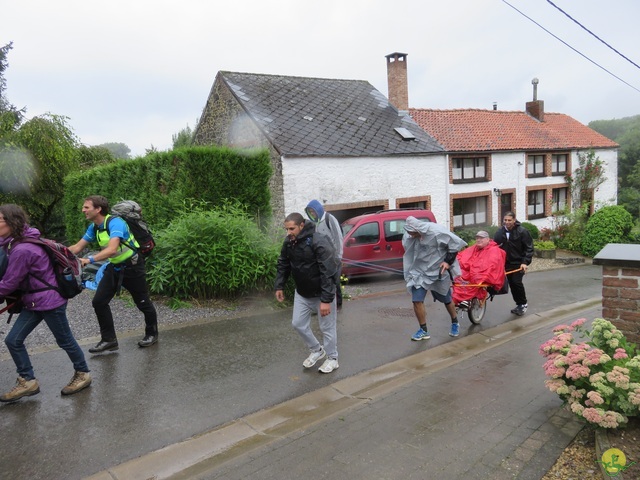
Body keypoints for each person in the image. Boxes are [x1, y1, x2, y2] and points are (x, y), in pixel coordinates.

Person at [0, 204, 91, 402]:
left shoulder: (22, 249)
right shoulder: (17, 242)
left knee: (64, 339)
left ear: (12, 222)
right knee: (13, 340)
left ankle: (83, 373)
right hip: (34, 302)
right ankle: (28, 380)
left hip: (50, 301)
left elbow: (8, 283)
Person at [69, 195, 158, 352]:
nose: (83, 210)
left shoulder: (115, 223)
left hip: (133, 267)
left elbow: (111, 250)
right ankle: (109, 340)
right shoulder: (94, 227)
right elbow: (77, 248)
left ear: (98, 209)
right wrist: (54, 252)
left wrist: (88, 260)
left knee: (143, 302)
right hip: (115, 267)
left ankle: (152, 334)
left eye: (86, 207)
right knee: (99, 302)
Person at [274, 212, 339, 373]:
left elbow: (329, 271)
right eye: (286, 229)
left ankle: (332, 358)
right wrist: (279, 286)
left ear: (301, 226)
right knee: (298, 324)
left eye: (291, 229)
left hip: (322, 294)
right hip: (302, 293)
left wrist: (326, 299)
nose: (288, 232)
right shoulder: (289, 243)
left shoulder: (319, 241)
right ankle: (317, 350)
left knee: (327, 328)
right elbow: (283, 263)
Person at [403, 216, 467, 340]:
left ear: (418, 230)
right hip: (419, 272)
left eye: (411, 232)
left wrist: (448, 262)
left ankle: (455, 322)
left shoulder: (437, 232)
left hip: (438, 271)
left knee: (446, 299)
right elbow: (409, 250)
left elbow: (454, 245)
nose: (408, 234)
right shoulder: (409, 234)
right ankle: (423, 329)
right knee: (416, 300)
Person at [493, 212, 534, 316]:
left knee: (516, 282)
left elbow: (529, 248)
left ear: (514, 220)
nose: (507, 222)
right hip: (506, 263)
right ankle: (519, 304)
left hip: (518, 263)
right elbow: (495, 247)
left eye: (509, 220)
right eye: (505, 220)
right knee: (511, 283)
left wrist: (525, 262)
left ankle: (523, 304)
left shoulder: (522, 231)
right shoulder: (500, 232)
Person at [305, 200, 344, 307]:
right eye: (310, 213)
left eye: (313, 211)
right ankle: (325, 303)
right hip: (322, 259)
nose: (312, 214)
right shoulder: (314, 223)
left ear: (318, 209)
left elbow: (338, 237)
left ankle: (338, 304)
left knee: (335, 282)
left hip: (334, 257)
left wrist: (339, 256)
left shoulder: (329, 219)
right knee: (324, 281)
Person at [452, 230, 506, 307]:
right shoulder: (474, 248)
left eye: (481, 238)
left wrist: (478, 271)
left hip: (483, 274)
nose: (478, 240)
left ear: (487, 239)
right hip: (472, 272)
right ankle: (461, 299)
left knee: (476, 279)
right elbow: (463, 256)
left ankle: (466, 299)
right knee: (458, 276)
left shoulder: (494, 250)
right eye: (477, 238)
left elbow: (492, 265)